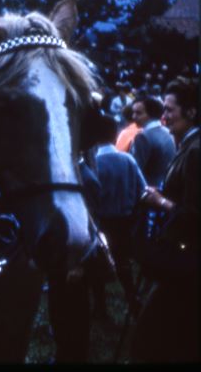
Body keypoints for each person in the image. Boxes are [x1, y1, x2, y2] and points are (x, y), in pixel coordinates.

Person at [131, 76, 199, 362]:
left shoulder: (195, 151)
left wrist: (160, 202)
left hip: (186, 262)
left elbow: (194, 215)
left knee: (150, 338)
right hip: (182, 260)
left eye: (170, 110)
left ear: (191, 112)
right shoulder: (187, 145)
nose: (164, 116)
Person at [84, 113, 148, 315]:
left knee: (97, 262)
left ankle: (100, 306)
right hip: (124, 221)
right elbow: (142, 188)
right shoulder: (128, 159)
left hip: (101, 221)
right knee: (123, 261)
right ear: (115, 135)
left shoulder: (93, 163)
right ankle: (132, 297)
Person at [129, 96, 176, 187]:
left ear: (151, 114)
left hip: (147, 189)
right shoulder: (168, 132)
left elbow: (134, 171)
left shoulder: (143, 137)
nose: (133, 117)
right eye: (133, 112)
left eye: (138, 113)